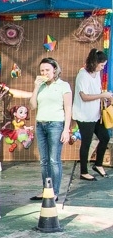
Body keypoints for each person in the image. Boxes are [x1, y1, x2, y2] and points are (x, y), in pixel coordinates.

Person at [28, 57, 73, 200]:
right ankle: (46, 190)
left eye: (47, 70)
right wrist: (35, 87)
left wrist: (66, 129)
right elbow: (32, 106)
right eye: (42, 70)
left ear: (55, 70)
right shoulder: (40, 86)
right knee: (44, 160)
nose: (44, 72)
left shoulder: (63, 85)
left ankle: (55, 192)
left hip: (56, 124)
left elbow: (68, 108)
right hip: (40, 124)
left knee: (54, 160)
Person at [72, 49, 112, 181]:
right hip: (84, 115)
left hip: (95, 113)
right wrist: (102, 95)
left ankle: (98, 164)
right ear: (95, 63)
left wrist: (104, 99)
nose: (103, 67)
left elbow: (96, 91)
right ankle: (83, 171)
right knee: (86, 142)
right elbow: (84, 96)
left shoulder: (97, 74)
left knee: (104, 137)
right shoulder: (83, 75)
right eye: (101, 65)